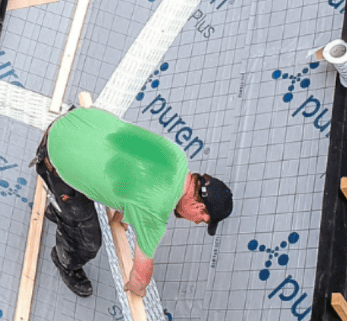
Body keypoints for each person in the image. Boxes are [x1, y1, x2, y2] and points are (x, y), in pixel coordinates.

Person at [34, 106, 233, 298]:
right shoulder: (156, 213)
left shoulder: (177, 155)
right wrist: (138, 288)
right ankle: (64, 261)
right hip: (56, 153)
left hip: (79, 120)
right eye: (201, 219)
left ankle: (63, 211)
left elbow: (130, 160)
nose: (196, 221)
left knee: (97, 176)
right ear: (199, 207)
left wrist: (125, 211)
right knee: (88, 241)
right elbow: (140, 273)